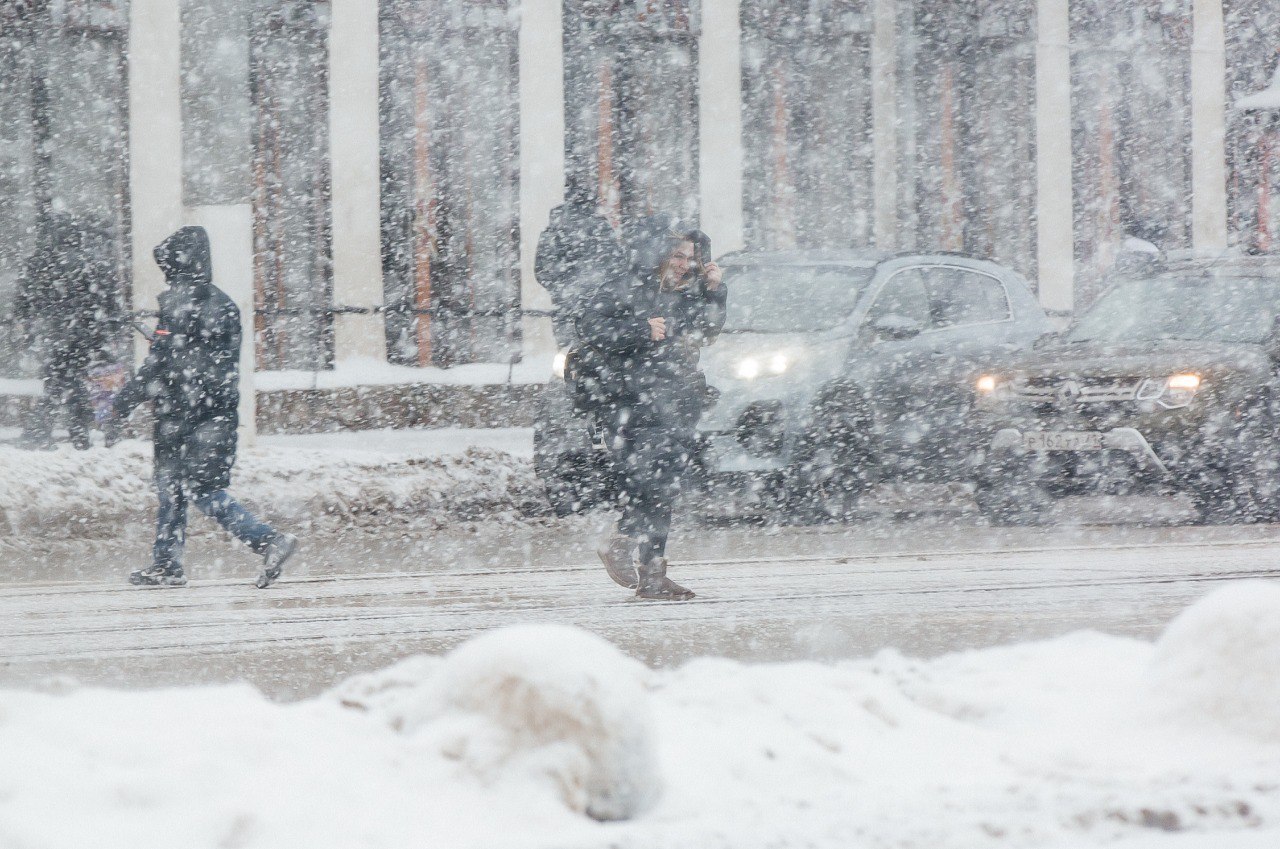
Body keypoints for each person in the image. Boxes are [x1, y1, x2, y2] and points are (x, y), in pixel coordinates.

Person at [110, 226, 297, 589]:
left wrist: (124, 402)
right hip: (213, 412)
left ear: (177, 263)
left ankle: (268, 540)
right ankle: (166, 563)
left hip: (186, 415)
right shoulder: (221, 302)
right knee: (174, 488)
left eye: (167, 264)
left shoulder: (180, 302)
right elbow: (201, 357)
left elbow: (161, 365)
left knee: (197, 489)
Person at [577, 214, 726, 600]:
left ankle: (652, 573)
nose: (683, 264)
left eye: (690, 259)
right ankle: (627, 544)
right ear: (657, 252)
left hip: (673, 402)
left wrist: (714, 290)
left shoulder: (682, 294)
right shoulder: (626, 286)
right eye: (677, 255)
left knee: (663, 487)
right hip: (629, 402)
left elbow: (706, 332)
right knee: (652, 481)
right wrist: (639, 331)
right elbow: (590, 326)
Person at [13, 215, 126, 450]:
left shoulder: (41, 263)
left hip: (56, 339)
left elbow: (23, 304)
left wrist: (33, 327)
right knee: (82, 387)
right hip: (88, 339)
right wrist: (110, 331)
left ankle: (41, 432)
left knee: (56, 386)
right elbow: (111, 304)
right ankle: (84, 436)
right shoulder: (93, 264)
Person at [535, 177, 631, 348]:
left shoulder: (557, 228)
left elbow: (542, 270)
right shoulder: (600, 225)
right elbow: (618, 264)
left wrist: (563, 290)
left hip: (569, 308)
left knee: (568, 353)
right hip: (594, 307)